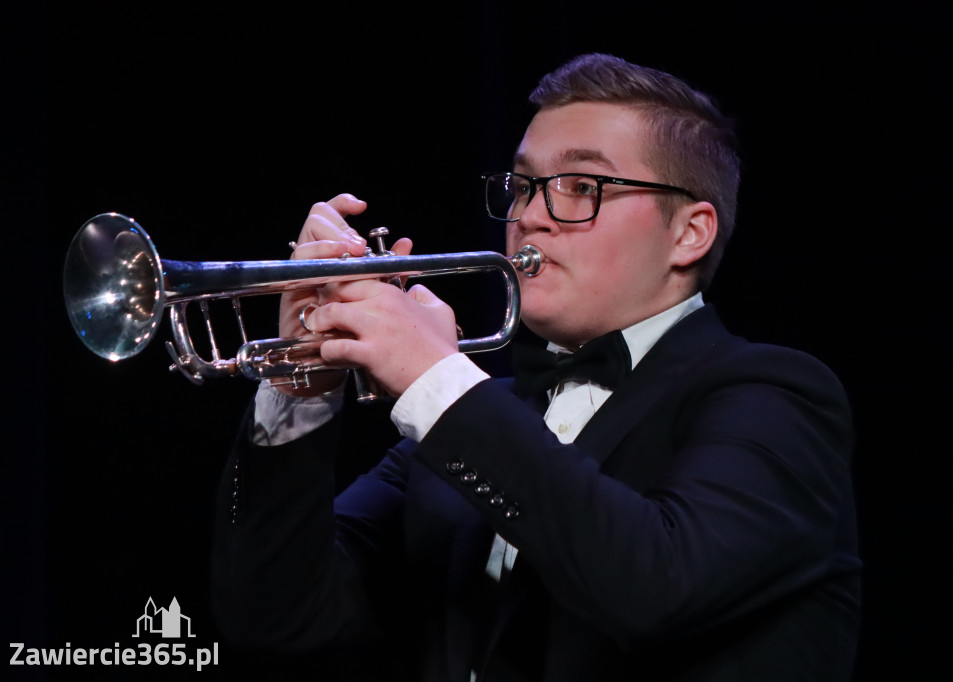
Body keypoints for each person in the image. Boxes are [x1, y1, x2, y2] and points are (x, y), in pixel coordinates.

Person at [211, 53, 861, 681]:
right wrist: (298, 381)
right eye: (522, 187)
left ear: (689, 232)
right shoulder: (460, 429)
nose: (528, 218)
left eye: (581, 186)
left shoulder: (779, 397)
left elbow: (659, 586)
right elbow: (273, 617)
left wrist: (435, 381)